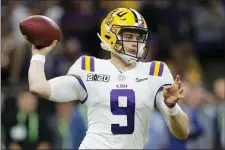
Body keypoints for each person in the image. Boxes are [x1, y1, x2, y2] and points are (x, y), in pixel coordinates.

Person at [28, 8, 189, 149]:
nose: (135, 43)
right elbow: (38, 87)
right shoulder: (89, 67)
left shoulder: (155, 71)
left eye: (139, 38)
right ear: (110, 35)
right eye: (129, 36)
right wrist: (38, 55)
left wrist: (172, 107)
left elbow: (183, 132)